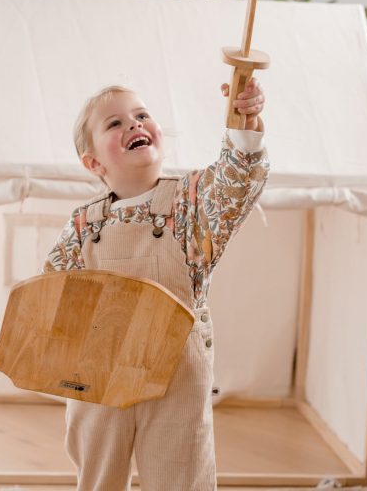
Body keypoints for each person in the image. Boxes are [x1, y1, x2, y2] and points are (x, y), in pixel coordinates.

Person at [41, 78, 269, 491]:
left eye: (142, 115)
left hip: (176, 376)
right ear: (94, 164)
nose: (133, 123)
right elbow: (53, 297)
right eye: (115, 123)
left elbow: (238, 181)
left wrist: (245, 121)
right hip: (99, 376)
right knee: (98, 476)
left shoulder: (194, 203)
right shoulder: (82, 225)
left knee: (180, 474)